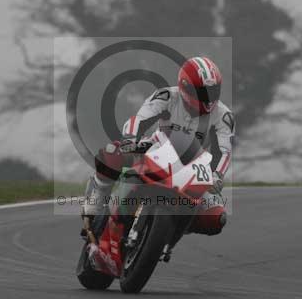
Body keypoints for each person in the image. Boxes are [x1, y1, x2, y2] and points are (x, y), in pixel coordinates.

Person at [83, 56, 235, 234]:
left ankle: (170, 231)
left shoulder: (224, 116)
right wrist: (130, 140)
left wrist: (217, 175)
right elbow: (139, 120)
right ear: (184, 86)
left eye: (213, 91)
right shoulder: (167, 96)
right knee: (111, 153)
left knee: (216, 218)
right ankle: (97, 199)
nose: (208, 98)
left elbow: (225, 151)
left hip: (195, 167)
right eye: (202, 92)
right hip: (157, 147)